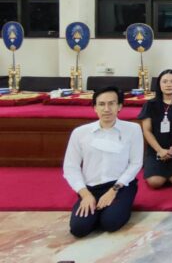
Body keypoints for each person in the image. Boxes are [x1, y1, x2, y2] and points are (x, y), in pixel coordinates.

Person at [63, 86, 143, 237]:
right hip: (91, 188)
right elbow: (70, 167)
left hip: (120, 186)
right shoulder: (80, 133)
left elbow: (136, 163)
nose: (106, 109)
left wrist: (114, 190)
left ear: (119, 106)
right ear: (94, 108)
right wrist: (85, 194)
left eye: (111, 103)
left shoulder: (133, 129)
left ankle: (120, 205)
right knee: (79, 229)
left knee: (110, 223)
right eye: (101, 104)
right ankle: (98, 210)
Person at [138, 69, 172, 189]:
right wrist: (160, 150)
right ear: (159, 84)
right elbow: (147, 130)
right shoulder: (150, 104)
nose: (169, 84)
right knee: (155, 182)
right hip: (156, 150)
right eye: (165, 81)